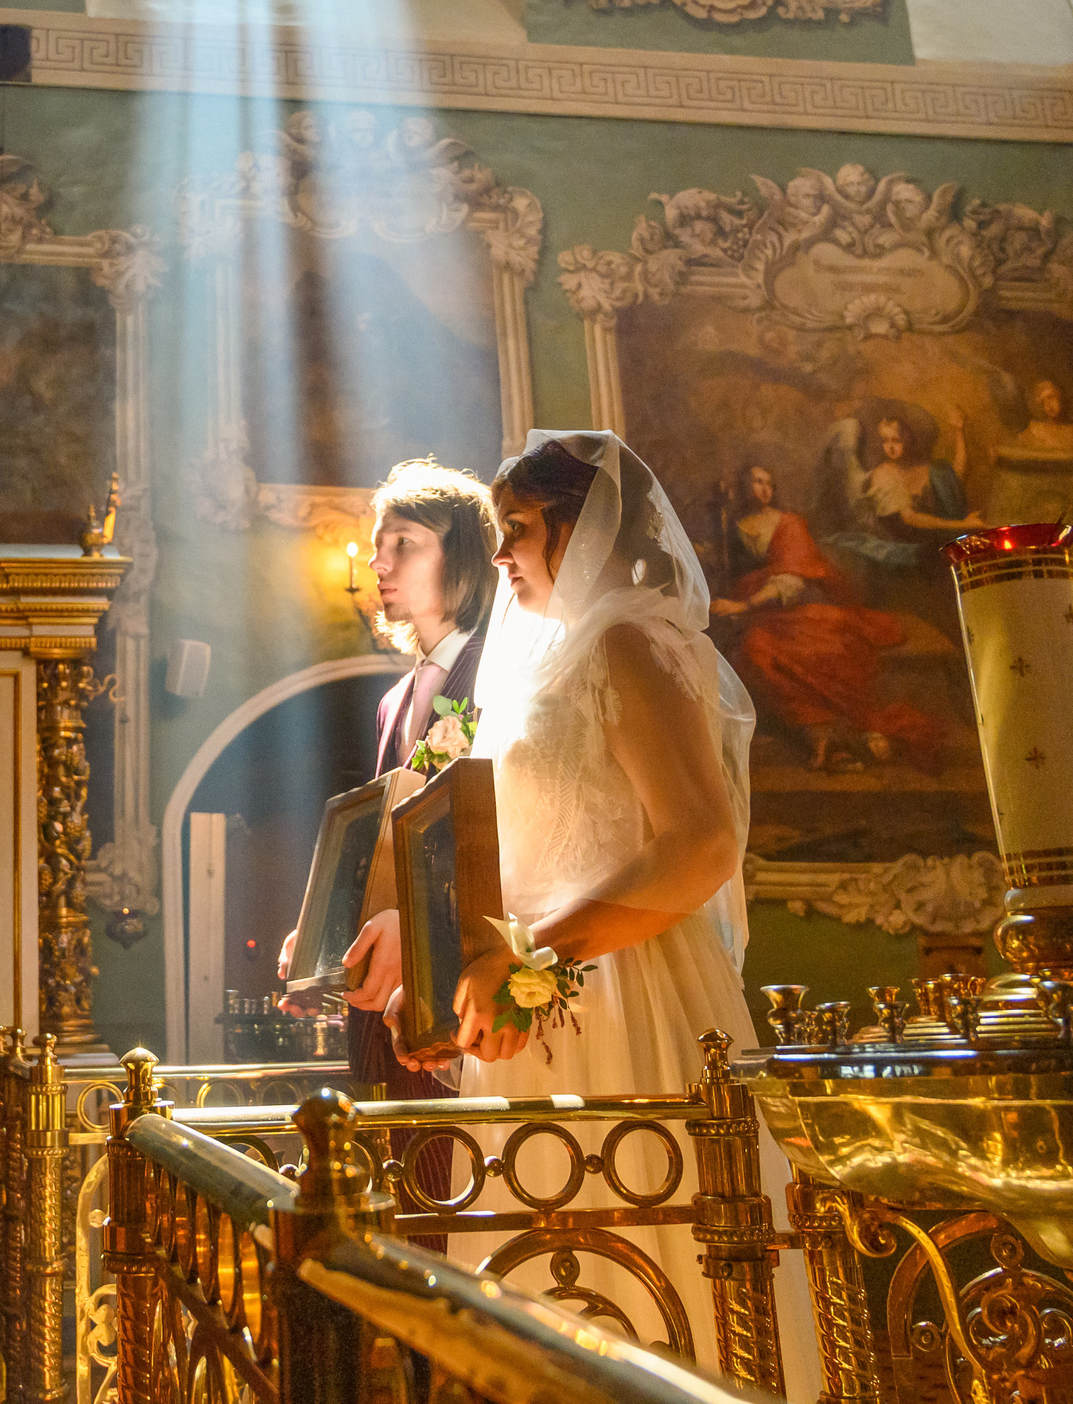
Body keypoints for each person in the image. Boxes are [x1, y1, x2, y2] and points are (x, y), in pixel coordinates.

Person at [389, 431, 817, 1394]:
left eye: (521, 531)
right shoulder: (544, 661)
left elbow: (701, 842)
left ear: (585, 531)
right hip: (540, 1005)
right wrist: (445, 978)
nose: (499, 557)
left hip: (628, 995)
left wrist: (535, 961)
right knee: (545, 1303)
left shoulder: (632, 640)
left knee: (650, 1289)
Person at [276, 460, 499, 1096]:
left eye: (404, 543)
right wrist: (327, 937)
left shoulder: (500, 673)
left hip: (457, 1003)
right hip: (387, 1013)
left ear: (464, 555)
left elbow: (500, 841)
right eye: (378, 545)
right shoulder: (395, 699)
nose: (379, 563)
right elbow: (387, 846)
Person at [711, 462, 940, 774]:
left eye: (768, 482)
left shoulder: (788, 524)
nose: (764, 488)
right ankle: (825, 740)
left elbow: (791, 582)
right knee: (754, 651)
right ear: (743, 485)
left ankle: (831, 738)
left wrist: (743, 606)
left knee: (810, 647)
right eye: (756, 481)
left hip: (783, 612)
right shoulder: (733, 525)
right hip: (752, 618)